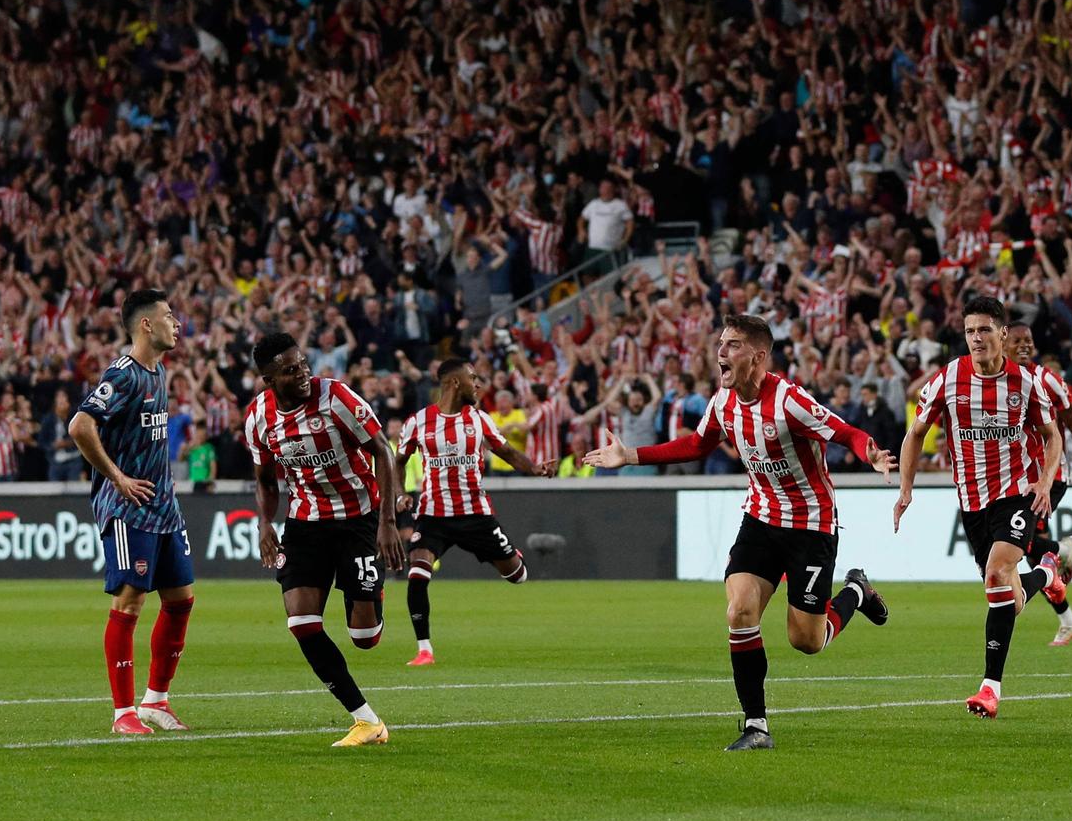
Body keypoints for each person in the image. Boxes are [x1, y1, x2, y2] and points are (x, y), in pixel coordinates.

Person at [584, 314, 895, 751]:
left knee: (806, 640)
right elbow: (696, 443)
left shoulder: (790, 402)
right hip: (760, 520)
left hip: (810, 526)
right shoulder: (723, 403)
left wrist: (873, 455)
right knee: (739, 612)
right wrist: (629, 454)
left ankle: (855, 593)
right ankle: (757, 726)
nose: (721, 353)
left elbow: (845, 432)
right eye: (720, 344)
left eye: (731, 345)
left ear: (758, 356)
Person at [896, 296, 1066, 719]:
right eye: (970, 331)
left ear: (1003, 334)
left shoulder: (1026, 382)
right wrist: (905, 488)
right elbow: (916, 433)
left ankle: (990, 688)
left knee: (996, 574)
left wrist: (1044, 482)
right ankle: (1046, 572)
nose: (977, 338)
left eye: (985, 329)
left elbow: (1052, 435)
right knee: (1007, 595)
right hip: (972, 501)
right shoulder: (948, 379)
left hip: (1016, 493)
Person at [245, 331, 408, 748]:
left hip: (358, 520)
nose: (302, 375)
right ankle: (366, 720)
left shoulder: (336, 397)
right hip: (305, 523)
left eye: (302, 365)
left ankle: (369, 593)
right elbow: (264, 479)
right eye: (289, 371)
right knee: (300, 621)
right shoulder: (258, 418)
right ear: (268, 380)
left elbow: (383, 452)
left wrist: (387, 521)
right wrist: (266, 525)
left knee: (364, 639)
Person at [67, 288, 195, 737]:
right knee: (131, 601)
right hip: (129, 508)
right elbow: (80, 425)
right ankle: (123, 712)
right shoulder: (122, 376)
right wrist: (117, 477)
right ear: (146, 324)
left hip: (164, 509)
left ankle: (156, 701)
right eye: (168, 316)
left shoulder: (158, 372)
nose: (176, 323)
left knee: (181, 600)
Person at [394, 356, 551, 667]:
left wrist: (534, 468)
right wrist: (400, 494)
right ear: (455, 383)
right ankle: (424, 649)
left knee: (517, 576)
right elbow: (397, 462)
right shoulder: (418, 422)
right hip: (432, 515)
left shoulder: (479, 420)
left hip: (475, 514)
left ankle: (511, 554)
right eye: (472, 378)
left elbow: (506, 452)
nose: (477, 384)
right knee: (417, 574)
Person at [1007, 321, 1072, 646]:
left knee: (1020, 543)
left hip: (1052, 476)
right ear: (1004, 342)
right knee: (1037, 560)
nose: (1024, 346)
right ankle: (1068, 620)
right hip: (1019, 478)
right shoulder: (995, 382)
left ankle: (1061, 550)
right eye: (1018, 341)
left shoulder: (1049, 380)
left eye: (1029, 341)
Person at [179, 422, 217, 495]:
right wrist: (184, 449)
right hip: (192, 482)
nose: (200, 437)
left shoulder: (209, 448)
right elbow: (181, 459)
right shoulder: (192, 448)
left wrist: (210, 481)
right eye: (198, 435)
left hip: (204, 482)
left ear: (206, 436)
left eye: (202, 435)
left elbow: (213, 467)